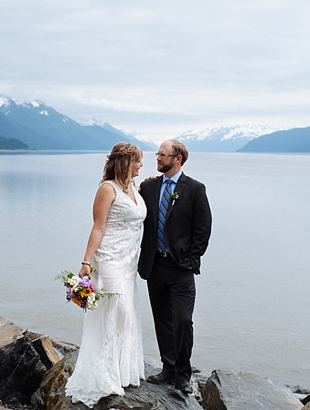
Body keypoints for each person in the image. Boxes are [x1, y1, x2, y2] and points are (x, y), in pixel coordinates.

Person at [65, 142, 146, 407]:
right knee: (116, 309)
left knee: (127, 313)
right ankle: (102, 372)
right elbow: (98, 227)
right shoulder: (106, 189)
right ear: (126, 163)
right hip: (109, 259)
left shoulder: (134, 188)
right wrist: (85, 262)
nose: (141, 165)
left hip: (129, 262)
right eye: (138, 161)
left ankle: (122, 371)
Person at [138, 139, 212, 394]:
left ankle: (183, 375)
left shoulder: (194, 189)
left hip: (180, 268)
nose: (157, 158)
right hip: (153, 265)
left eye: (162, 155)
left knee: (182, 321)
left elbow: (203, 229)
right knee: (162, 320)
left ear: (177, 158)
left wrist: (191, 260)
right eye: (157, 154)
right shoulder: (148, 187)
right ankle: (168, 369)